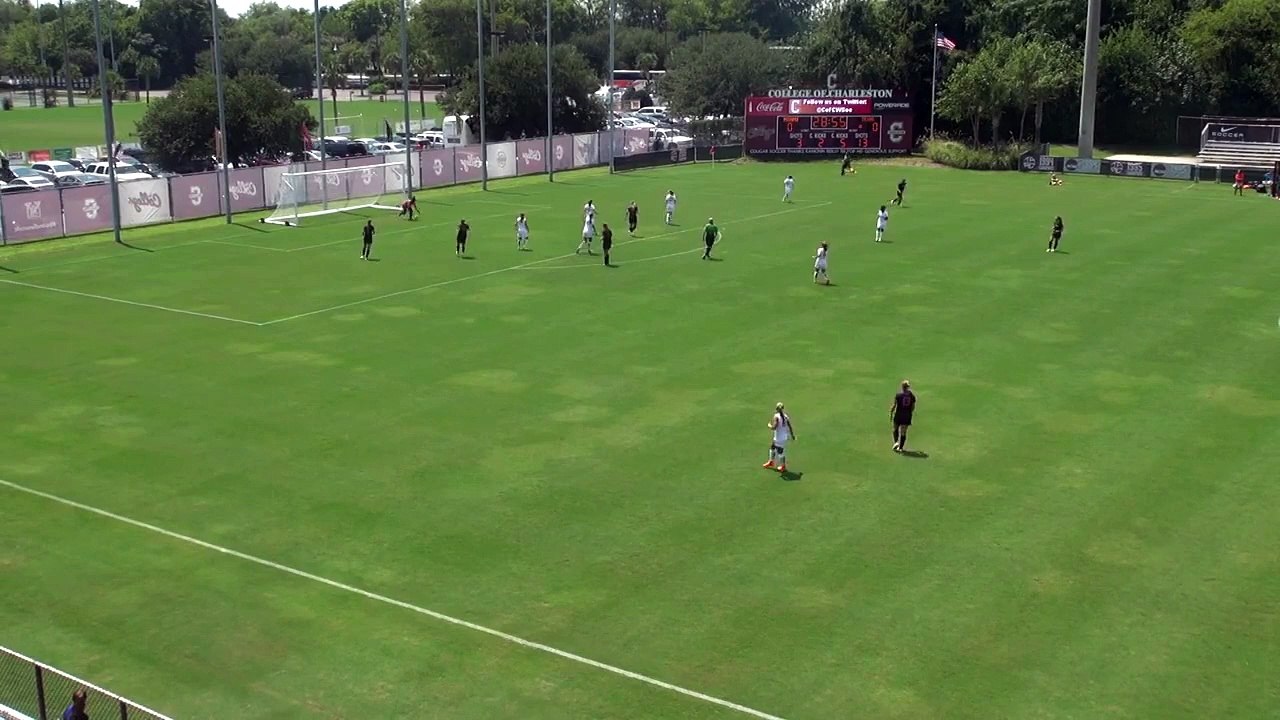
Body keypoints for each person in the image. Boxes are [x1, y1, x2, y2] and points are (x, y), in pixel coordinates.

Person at [762, 402, 795, 472]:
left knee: (780, 451)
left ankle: (783, 466)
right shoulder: (785, 416)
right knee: (772, 447)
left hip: (779, 438)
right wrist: (792, 435)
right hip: (783, 437)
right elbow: (790, 426)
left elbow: (774, 427)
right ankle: (771, 461)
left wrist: (769, 425)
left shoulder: (776, 416)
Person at [890, 380, 916, 453]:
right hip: (907, 415)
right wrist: (910, 413)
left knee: (895, 428)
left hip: (898, 414)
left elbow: (894, 405)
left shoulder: (898, 395)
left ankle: (896, 443)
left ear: (902, 387)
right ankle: (900, 448)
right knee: (903, 432)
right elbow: (913, 407)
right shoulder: (912, 396)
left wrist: (891, 412)